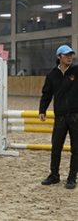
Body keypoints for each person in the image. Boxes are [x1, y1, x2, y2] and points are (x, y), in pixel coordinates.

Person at [39, 45, 78, 189]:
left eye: (71, 55)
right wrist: (42, 110)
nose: (69, 57)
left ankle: (72, 178)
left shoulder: (76, 71)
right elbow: (46, 94)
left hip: (75, 116)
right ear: (59, 57)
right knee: (56, 148)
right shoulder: (52, 75)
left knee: (76, 149)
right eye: (66, 55)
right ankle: (54, 175)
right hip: (60, 117)